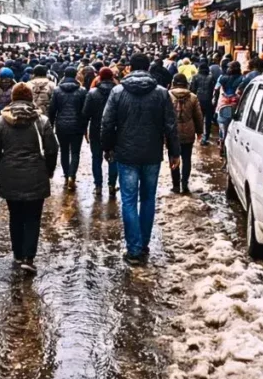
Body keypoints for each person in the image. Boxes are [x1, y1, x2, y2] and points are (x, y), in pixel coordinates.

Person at [101, 53, 181, 266]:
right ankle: (143, 244)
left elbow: (107, 123)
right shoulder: (162, 93)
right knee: (147, 198)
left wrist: (107, 147)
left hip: (126, 154)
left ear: (129, 68)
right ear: (148, 68)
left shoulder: (117, 92)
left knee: (128, 200)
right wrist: (175, 152)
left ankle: (134, 249)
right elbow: (170, 126)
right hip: (152, 154)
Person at [0, 83, 59, 274]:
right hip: (35, 173)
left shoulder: (0, 122)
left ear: (12, 98)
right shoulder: (41, 121)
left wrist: (2, 163)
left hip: (10, 173)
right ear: (30, 99)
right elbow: (52, 148)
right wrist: (49, 169)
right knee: (33, 218)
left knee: (15, 216)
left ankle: (18, 253)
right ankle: (29, 256)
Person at [48, 67, 87, 188]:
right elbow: (85, 110)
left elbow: (52, 109)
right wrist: (85, 126)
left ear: (64, 75)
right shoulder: (82, 91)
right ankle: (72, 176)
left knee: (64, 151)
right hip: (77, 125)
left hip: (61, 125)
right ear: (76, 75)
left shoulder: (57, 90)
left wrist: (52, 124)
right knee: (75, 152)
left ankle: (66, 175)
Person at [82, 67, 118, 196]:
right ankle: (112, 185)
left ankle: (98, 185)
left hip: (96, 129)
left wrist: (85, 130)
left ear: (100, 78)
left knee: (96, 158)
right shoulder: (118, 92)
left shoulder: (92, 93)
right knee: (113, 158)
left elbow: (86, 113)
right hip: (114, 130)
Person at [169, 73, 203, 195]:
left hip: (172, 132)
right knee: (187, 158)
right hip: (189, 131)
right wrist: (200, 132)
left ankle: (176, 185)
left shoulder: (168, 95)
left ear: (173, 82)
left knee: (173, 157)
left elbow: (164, 115)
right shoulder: (193, 97)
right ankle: (185, 184)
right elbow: (198, 116)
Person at [189, 63, 216, 146]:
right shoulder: (211, 77)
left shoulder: (195, 77)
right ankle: (206, 138)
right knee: (208, 121)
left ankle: (198, 137)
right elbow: (214, 90)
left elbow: (192, 89)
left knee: (197, 119)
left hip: (198, 100)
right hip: (209, 101)